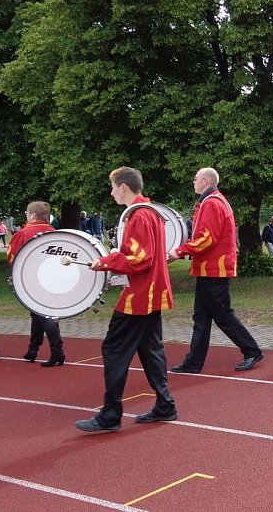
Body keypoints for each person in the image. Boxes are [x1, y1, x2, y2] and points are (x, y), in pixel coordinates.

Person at [76, 166, 177, 433]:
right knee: (150, 350)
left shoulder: (140, 216)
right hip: (151, 292)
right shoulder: (151, 212)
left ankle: (110, 414)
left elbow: (140, 258)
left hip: (140, 295)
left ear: (123, 187)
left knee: (114, 350)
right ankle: (165, 405)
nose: (111, 193)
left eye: (112, 187)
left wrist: (105, 262)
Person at [169, 167, 263, 373]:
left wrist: (179, 251)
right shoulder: (213, 201)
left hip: (214, 269)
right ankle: (193, 363)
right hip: (208, 270)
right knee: (201, 318)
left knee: (222, 316)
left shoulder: (211, 203)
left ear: (205, 181)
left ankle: (252, 351)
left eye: (195, 179)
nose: (193, 182)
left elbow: (206, 239)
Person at [7, 201, 65, 366]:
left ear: (32, 215)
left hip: (31, 279)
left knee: (43, 314)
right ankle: (33, 350)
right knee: (37, 313)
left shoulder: (23, 233)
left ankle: (57, 352)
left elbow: (12, 257)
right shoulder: (54, 232)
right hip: (53, 279)